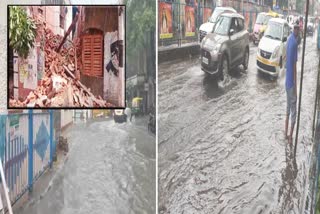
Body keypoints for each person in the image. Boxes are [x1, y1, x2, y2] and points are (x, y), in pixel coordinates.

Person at [285, 24, 299, 143]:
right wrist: (296, 86)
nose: (299, 31)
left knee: (288, 107)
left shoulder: (289, 39)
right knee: (294, 112)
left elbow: (286, 61)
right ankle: (290, 137)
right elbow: (294, 66)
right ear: (296, 30)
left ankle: (285, 132)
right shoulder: (294, 43)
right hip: (291, 83)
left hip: (286, 81)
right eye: (298, 29)